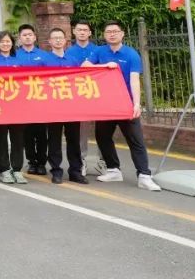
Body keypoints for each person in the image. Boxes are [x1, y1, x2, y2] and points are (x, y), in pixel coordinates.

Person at [84, 22, 161, 191]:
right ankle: (113, 170)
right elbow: (85, 66)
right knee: (102, 137)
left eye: (115, 31)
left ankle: (144, 175)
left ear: (122, 34)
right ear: (104, 35)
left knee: (135, 140)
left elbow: (134, 80)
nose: (112, 34)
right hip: (106, 104)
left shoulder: (131, 54)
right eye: (108, 32)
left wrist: (136, 103)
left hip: (125, 103)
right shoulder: (99, 51)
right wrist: (104, 66)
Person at [43, 27, 86, 184]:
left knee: (74, 139)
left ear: (66, 40)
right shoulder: (44, 61)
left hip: (71, 107)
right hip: (53, 107)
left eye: (60, 37)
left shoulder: (73, 60)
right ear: (50, 41)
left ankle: (75, 171)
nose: (58, 40)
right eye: (55, 38)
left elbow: (82, 80)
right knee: (54, 140)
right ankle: (56, 170)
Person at [0, 31, 27, 184]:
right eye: (2, 42)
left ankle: (17, 169)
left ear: (12, 43)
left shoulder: (19, 60)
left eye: (8, 41)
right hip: (0, 105)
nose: (5, 44)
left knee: (18, 138)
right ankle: (4, 169)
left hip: (17, 105)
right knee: (1, 138)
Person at [66, 19, 100, 175]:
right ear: (74, 31)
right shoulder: (69, 52)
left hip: (97, 93)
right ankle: (82, 160)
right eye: (79, 30)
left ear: (90, 33)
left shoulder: (97, 50)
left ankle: (103, 161)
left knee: (103, 129)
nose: (82, 32)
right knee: (82, 130)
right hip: (79, 94)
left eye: (85, 30)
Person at [16, 24, 49, 175]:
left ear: (35, 37)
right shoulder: (15, 55)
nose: (27, 37)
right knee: (27, 135)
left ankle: (42, 163)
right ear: (20, 38)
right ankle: (31, 162)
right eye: (24, 35)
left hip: (40, 100)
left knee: (41, 134)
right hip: (22, 101)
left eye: (30, 34)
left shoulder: (44, 55)